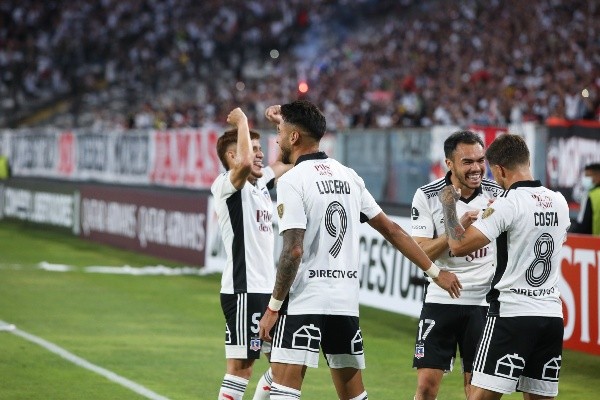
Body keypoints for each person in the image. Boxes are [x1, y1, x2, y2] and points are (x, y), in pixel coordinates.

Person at [258, 100, 462, 400]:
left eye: (280, 133)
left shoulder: (292, 181)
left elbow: (293, 251)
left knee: (284, 389)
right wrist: (435, 272)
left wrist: (273, 308)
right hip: (344, 303)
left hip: (305, 300)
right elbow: (392, 230)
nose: (276, 139)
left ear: (294, 137)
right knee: (353, 395)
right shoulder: (349, 176)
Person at [439, 134, 569, 400]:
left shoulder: (507, 204)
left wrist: (449, 206)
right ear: (528, 161)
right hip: (550, 315)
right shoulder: (559, 201)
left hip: (511, 315)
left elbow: (458, 245)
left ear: (499, 170)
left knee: (480, 396)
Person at [410, 131, 503, 400]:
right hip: (441, 297)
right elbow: (420, 250)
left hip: (483, 301)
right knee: (426, 387)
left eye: (480, 160)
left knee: (475, 388)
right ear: (449, 164)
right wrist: (455, 232)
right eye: (467, 162)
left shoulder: (499, 195)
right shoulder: (428, 195)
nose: (476, 168)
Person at [212, 107, 292, 400]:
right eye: (254, 148)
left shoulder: (258, 184)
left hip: (268, 291)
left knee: (284, 367)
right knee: (241, 370)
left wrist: (283, 126)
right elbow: (245, 163)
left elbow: (287, 161)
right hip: (244, 290)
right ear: (232, 156)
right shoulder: (226, 186)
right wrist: (242, 121)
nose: (260, 154)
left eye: (260, 148)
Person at [570, 162, 600, 235]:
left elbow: (584, 224)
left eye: (587, 176)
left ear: (598, 177)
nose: (585, 179)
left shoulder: (592, 196)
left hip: (593, 239)